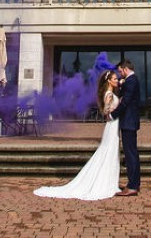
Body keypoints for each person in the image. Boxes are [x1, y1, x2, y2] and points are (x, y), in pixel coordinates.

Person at [34, 70, 121, 201]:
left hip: (114, 125)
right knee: (108, 151)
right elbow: (105, 111)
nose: (116, 80)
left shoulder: (111, 93)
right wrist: (113, 110)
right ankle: (106, 182)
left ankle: (110, 181)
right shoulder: (109, 94)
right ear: (109, 80)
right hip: (112, 125)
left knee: (112, 152)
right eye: (114, 78)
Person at [114, 59, 141, 196]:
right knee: (132, 153)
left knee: (130, 154)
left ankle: (132, 186)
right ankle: (134, 183)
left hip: (128, 122)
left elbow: (125, 103)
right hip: (130, 122)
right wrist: (120, 84)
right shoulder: (130, 81)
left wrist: (113, 114)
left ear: (125, 69)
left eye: (120, 71)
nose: (120, 74)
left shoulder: (131, 81)